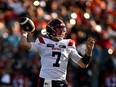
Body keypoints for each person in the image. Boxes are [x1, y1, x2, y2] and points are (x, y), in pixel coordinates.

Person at [19, 18, 95, 87]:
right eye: (59, 29)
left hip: (61, 81)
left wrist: (89, 51)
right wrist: (24, 33)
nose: (62, 31)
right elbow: (23, 45)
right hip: (47, 81)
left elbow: (83, 64)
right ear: (51, 30)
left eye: (63, 29)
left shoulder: (68, 43)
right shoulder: (42, 41)